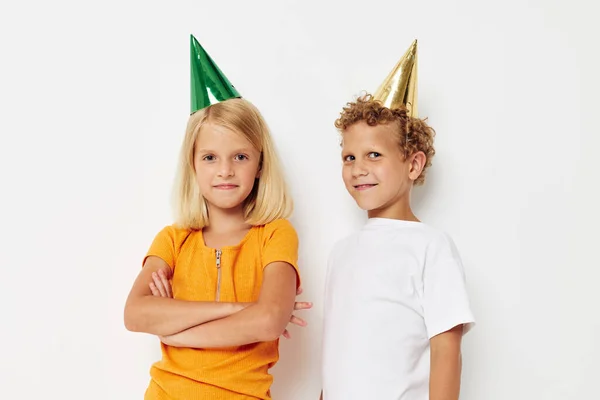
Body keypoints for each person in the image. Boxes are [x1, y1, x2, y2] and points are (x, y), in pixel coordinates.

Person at [124, 35, 311, 400]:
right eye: (210, 157)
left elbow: (270, 319)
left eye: (240, 157)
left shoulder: (274, 235)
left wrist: (176, 327)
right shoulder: (174, 239)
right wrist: (238, 308)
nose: (224, 170)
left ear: (260, 164)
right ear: (193, 165)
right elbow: (135, 314)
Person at [321, 40, 475, 400]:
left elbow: (446, 351)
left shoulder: (431, 246)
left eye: (374, 154)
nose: (359, 168)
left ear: (413, 164)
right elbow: (336, 355)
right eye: (348, 157)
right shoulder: (340, 252)